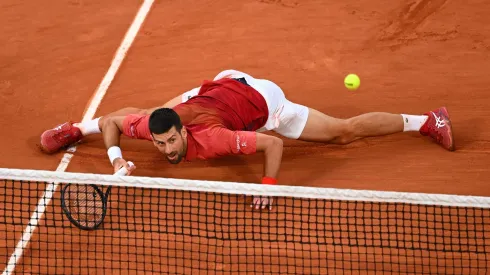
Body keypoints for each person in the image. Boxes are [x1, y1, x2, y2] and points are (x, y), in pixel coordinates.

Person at [39, 69, 455, 209]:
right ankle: (73, 129)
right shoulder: (154, 125)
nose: (165, 149)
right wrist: (114, 158)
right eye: (160, 142)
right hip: (217, 87)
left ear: (185, 134)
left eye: (171, 142)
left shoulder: (218, 139)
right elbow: (114, 120)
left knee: (341, 133)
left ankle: (426, 121)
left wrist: (268, 186)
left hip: (262, 101)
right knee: (149, 110)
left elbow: (273, 145)